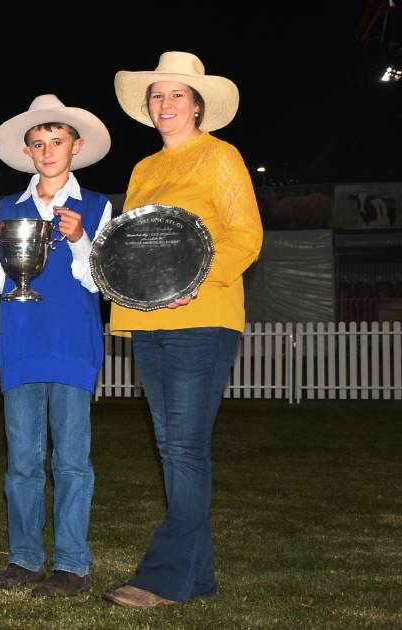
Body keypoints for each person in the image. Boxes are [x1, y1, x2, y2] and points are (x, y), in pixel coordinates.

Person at [101, 51, 262, 607]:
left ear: (198, 106)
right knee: (173, 450)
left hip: (204, 317)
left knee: (185, 449)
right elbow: (134, 243)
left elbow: (246, 236)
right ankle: (199, 580)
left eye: (176, 96)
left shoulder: (220, 157)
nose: (165, 104)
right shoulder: (144, 169)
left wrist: (198, 277)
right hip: (150, 321)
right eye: (157, 96)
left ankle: (162, 578)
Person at [0, 95, 112, 598]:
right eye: (38, 143)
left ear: (77, 146)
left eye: (57, 141)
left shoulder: (96, 206)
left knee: (72, 461)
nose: (48, 150)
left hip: (73, 344)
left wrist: (78, 239)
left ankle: (73, 564)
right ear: (27, 152)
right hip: (22, 344)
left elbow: (100, 281)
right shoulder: (6, 210)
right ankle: (25, 559)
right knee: (22, 463)